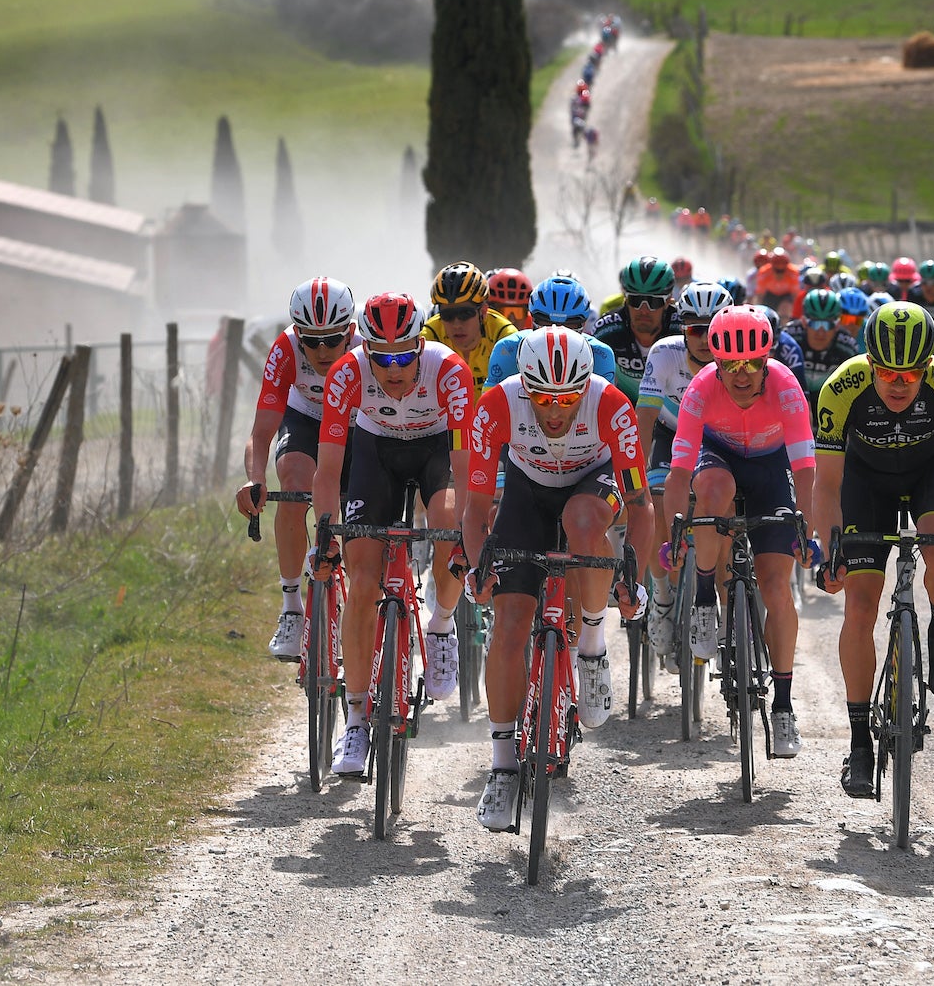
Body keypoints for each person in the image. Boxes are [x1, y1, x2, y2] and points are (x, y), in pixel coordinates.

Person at [462, 327, 654, 830]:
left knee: (585, 523)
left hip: (594, 484)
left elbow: (640, 504)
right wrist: (479, 565)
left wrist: (631, 568)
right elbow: (477, 505)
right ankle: (502, 768)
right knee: (507, 626)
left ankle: (591, 646)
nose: (553, 410)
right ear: (524, 386)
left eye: (567, 398)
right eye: (542, 397)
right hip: (527, 491)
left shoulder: (611, 407)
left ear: (585, 387)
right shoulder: (498, 404)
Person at [812, 301, 934, 798]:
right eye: (888, 372)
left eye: (911, 374)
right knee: (861, 604)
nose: (898, 383)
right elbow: (825, 487)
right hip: (864, 483)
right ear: (870, 364)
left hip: (929, 473)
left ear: (929, 366)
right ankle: (858, 743)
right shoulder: (840, 390)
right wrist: (828, 550)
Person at [311, 294, 474, 776]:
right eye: (381, 358)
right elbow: (327, 470)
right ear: (366, 351)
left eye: (404, 355)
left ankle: (441, 623)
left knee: (447, 531)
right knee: (361, 584)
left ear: (420, 345)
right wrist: (326, 534)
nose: (393, 368)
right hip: (375, 454)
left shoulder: (448, 371)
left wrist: (466, 530)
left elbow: (466, 470)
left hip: (435, 451)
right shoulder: (347, 373)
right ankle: (357, 719)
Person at [663, 307, 817, 759]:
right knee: (712, 490)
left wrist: (805, 528)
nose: (742, 374)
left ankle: (784, 709)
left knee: (776, 587)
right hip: (721, 459)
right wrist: (675, 534)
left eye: (752, 363)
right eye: (731, 365)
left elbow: (806, 467)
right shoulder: (701, 389)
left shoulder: (787, 388)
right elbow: (678, 473)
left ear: (767, 359)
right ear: (717, 363)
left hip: (772, 470)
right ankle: (706, 596)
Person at [236, 278, 359, 662]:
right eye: (311, 341)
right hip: (306, 419)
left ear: (350, 332)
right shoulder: (285, 348)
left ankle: (365, 604)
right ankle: (291, 607)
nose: (321, 350)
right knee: (291, 486)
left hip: (359, 425)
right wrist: (255, 479)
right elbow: (260, 434)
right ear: (297, 334)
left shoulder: (367, 349)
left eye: (332, 340)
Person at [635, 281, 731, 655]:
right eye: (695, 329)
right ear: (681, 328)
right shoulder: (664, 353)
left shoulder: (738, 358)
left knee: (727, 523)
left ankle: (726, 604)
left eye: (713, 330)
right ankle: (661, 597)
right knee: (657, 503)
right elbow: (644, 417)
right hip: (669, 431)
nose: (705, 339)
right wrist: (635, 476)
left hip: (719, 440)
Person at [485, 273, 619, 387]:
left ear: (584, 325)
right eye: (547, 325)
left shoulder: (601, 355)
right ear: (532, 321)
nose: (557, 335)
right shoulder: (507, 350)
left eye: (568, 327)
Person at [421, 261, 518, 395]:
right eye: (447, 315)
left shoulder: (505, 337)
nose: (456, 324)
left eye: (465, 314)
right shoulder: (429, 338)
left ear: (483, 312)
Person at [593, 256, 681, 400]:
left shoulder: (681, 329)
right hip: (624, 408)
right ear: (625, 299)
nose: (644, 310)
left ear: (668, 301)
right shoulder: (606, 330)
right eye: (636, 300)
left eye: (653, 302)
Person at [784, 288, 863, 408]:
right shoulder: (790, 338)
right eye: (815, 323)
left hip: (830, 403)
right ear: (804, 322)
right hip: (791, 401)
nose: (821, 332)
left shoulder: (847, 348)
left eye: (827, 325)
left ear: (837, 325)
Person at [754, 247, 802, 320]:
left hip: (786, 295)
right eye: (777, 270)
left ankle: (783, 326)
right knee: (766, 313)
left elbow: (795, 295)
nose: (780, 270)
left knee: (785, 309)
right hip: (770, 294)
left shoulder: (793, 272)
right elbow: (760, 295)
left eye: (782, 270)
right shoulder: (764, 272)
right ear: (771, 266)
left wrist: (795, 315)